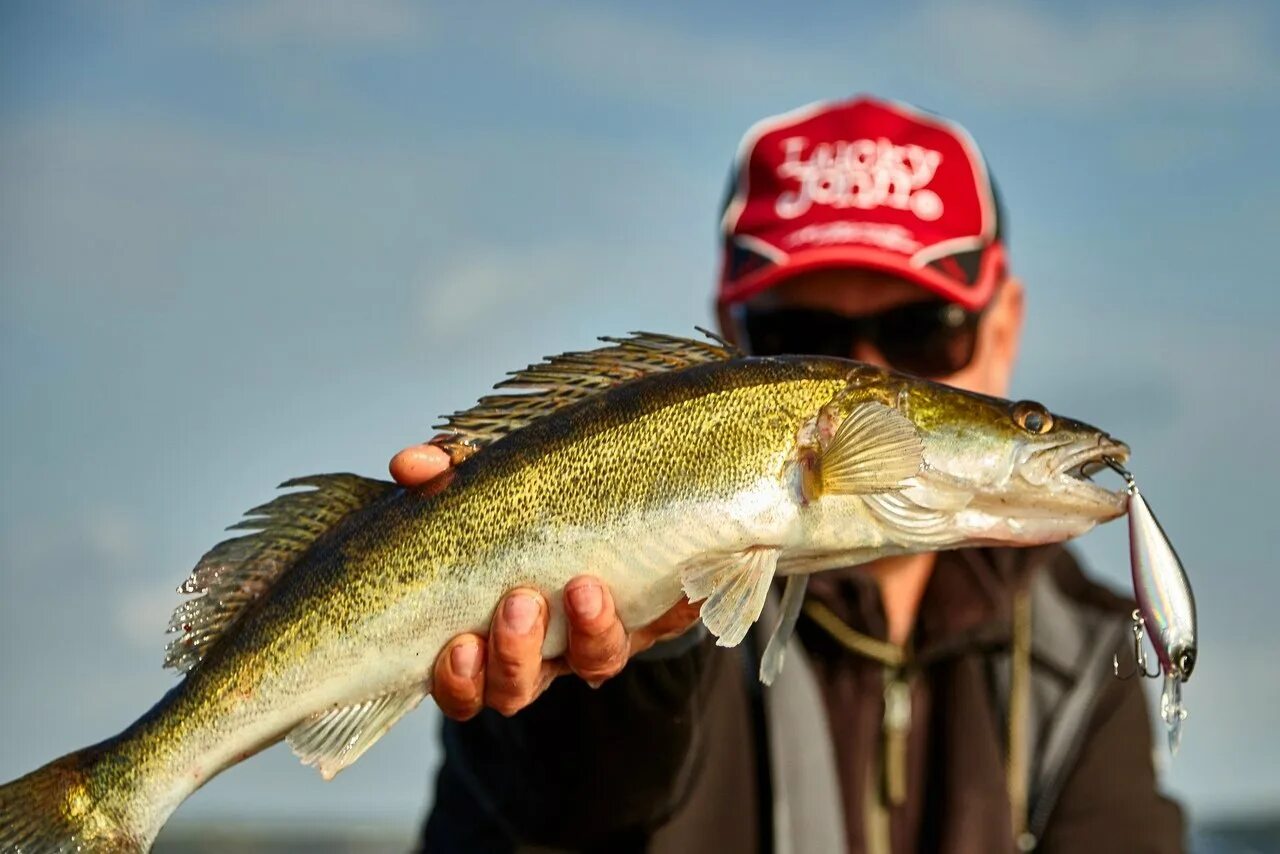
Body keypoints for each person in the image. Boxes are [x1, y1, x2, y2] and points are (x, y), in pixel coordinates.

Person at [393, 96, 1185, 853]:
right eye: (802, 332)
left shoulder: (1079, 652)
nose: (866, 366)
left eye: (922, 330)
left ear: (1001, 326)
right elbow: (564, 811)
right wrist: (597, 683)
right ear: (737, 333)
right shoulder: (689, 614)